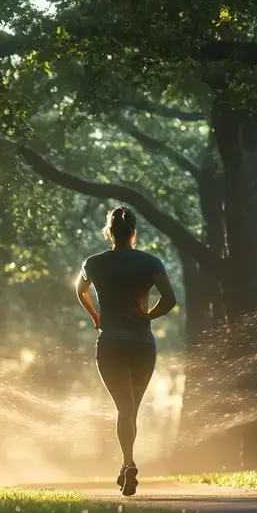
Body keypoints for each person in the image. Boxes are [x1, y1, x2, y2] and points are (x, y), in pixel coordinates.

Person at [76, 206, 176, 496]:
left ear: (109, 233)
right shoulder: (150, 262)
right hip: (142, 345)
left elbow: (80, 290)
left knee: (125, 407)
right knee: (130, 408)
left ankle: (128, 463)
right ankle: (126, 465)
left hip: (111, 344)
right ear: (134, 232)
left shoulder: (94, 263)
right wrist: (148, 317)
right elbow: (170, 300)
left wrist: (95, 316)